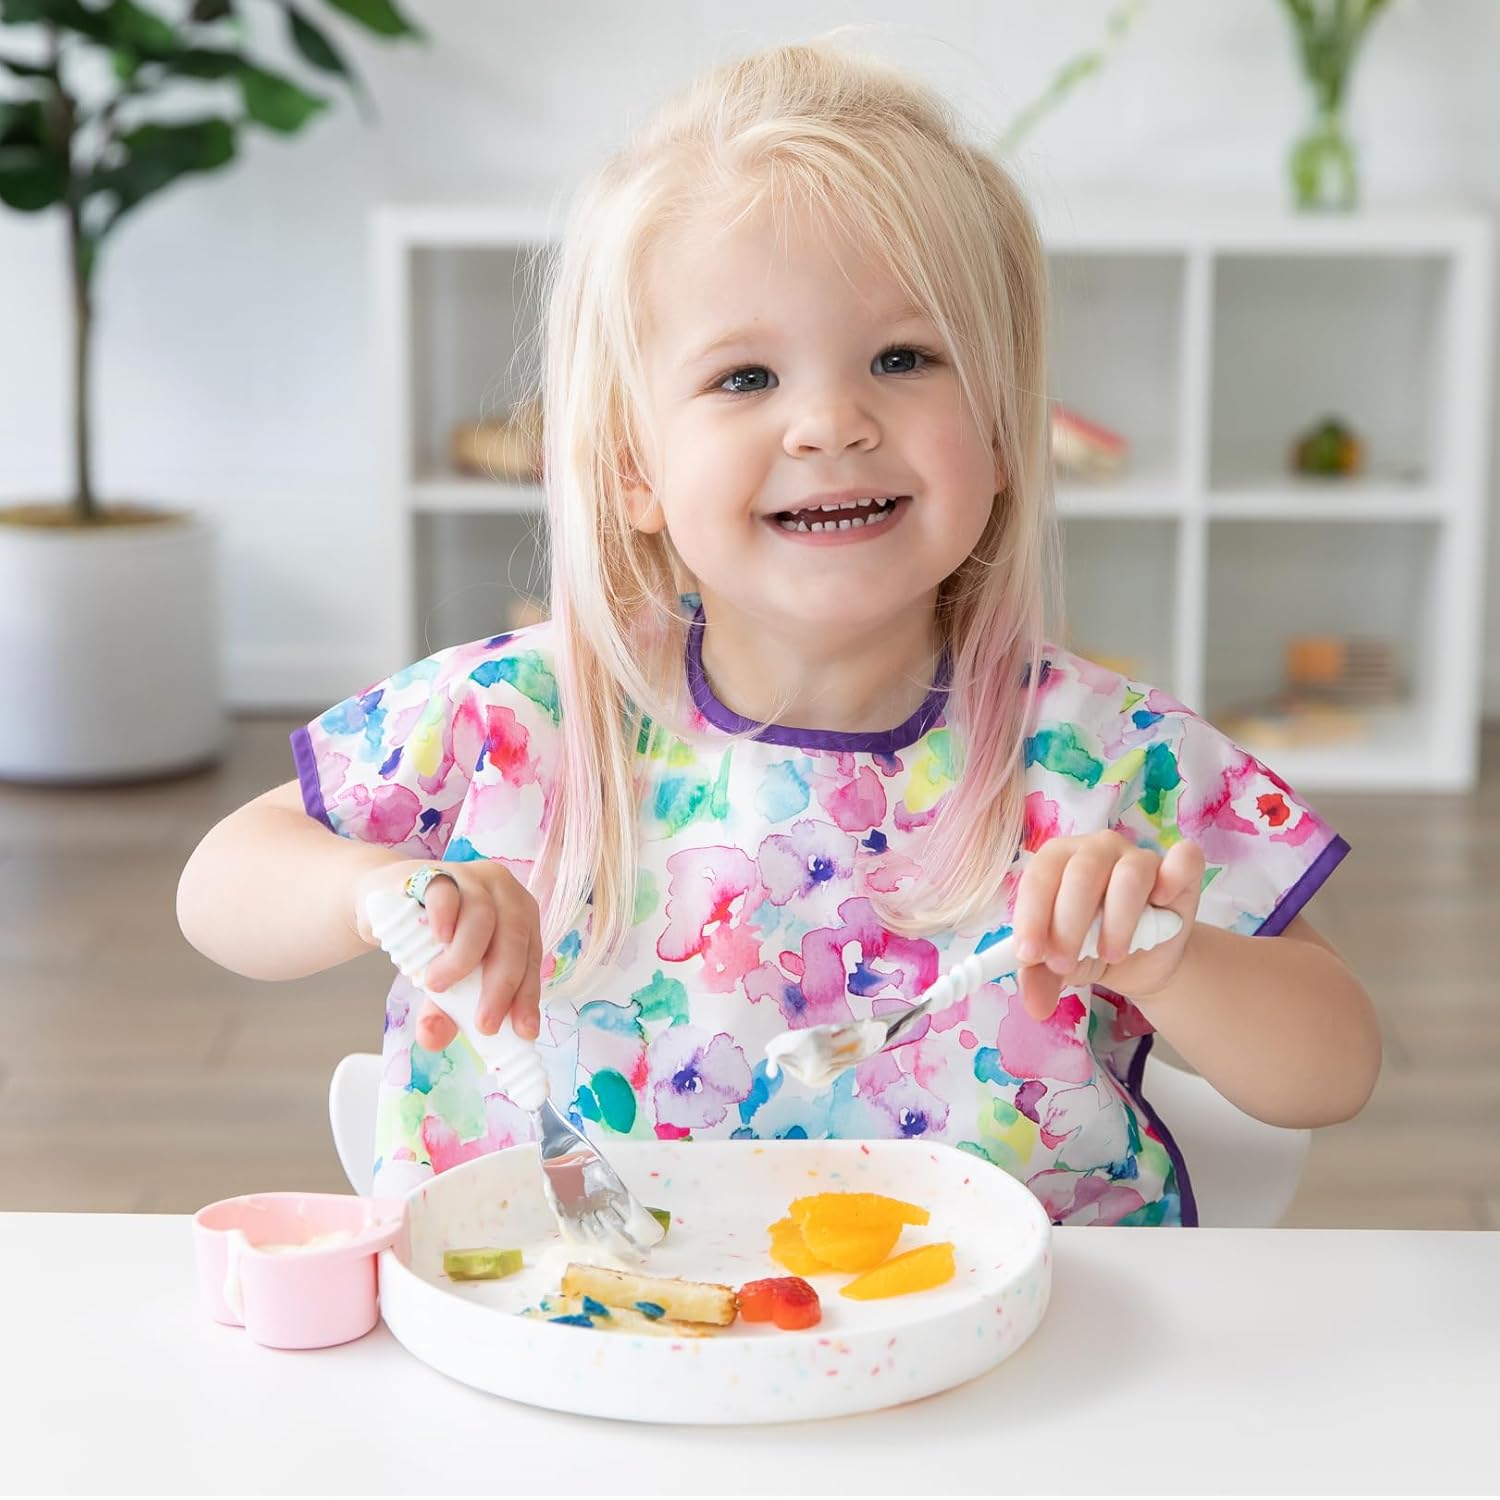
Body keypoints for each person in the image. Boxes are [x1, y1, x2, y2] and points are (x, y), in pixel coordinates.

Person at [178, 42, 1379, 1224]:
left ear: (1004, 432)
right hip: (570, 1320)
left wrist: (1170, 958)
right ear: (635, 468)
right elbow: (219, 887)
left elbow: (1333, 1068)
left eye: (904, 358)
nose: (830, 423)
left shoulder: (1106, 760)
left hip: (1021, 1336)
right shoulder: (516, 717)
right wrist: (381, 891)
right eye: (746, 377)